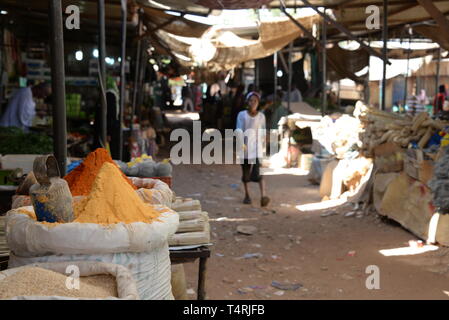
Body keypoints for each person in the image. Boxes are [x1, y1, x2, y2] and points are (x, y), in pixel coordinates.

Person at [236, 91, 270, 207]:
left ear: (258, 103)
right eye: (251, 100)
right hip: (245, 149)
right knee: (246, 174)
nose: (253, 103)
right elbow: (239, 130)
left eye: (255, 101)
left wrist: (265, 144)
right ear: (247, 102)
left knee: (259, 173)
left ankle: (263, 195)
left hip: (257, 149)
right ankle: (247, 195)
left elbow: (263, 132)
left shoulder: (261, 116)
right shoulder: (241, 115)